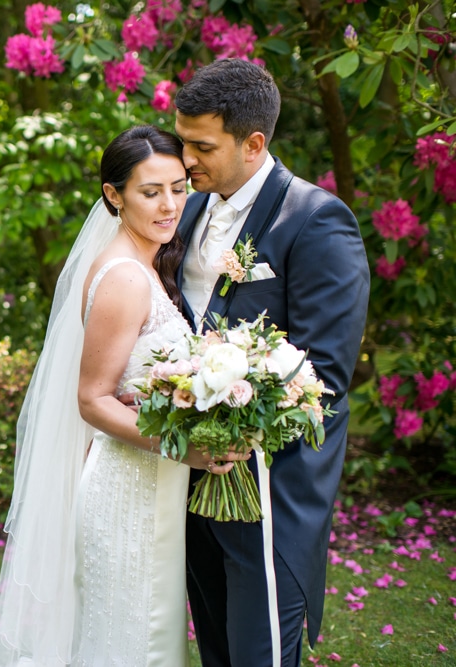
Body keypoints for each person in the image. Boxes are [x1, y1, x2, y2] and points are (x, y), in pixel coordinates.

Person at [0, 125, 248, 667]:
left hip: (153, 489)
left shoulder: (144, 266)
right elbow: (92, 400)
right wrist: (184, 449)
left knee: (143, 638)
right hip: (129, 491)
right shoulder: (125, 277)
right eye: (151, 192)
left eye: (179, 186)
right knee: (133, 642)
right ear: (113, 196)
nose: (170, 205)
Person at [173, 58, 370, 667]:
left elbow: (324, 381)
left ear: (253, 143)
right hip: (187, 485)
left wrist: (232, 421)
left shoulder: (315, 221)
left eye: (201, 147)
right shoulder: (186, 209)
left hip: (268, 499)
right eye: (182, 143)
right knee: (217, 652)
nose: (185, 162)